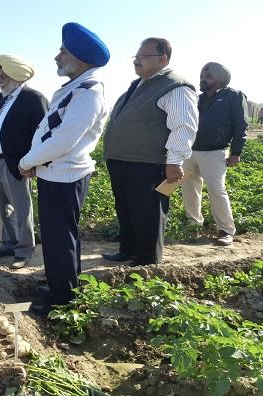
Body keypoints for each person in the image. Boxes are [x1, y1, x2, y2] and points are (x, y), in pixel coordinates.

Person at [18, 22, 110, 315]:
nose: (57, 57)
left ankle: (62, 300)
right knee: (59, 237)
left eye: (62, 51)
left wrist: (28, 161)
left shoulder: (88, 94)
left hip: (65, 176)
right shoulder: (76, 89)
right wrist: (37, 160)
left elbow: (64, 140)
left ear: (80, 58)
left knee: (61, 238)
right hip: (55, 172)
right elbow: (52, 134)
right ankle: (61, 285)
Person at [102, 38, 198, 266]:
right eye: (136, 56)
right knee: (126, 208)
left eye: (143, 56)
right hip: (123, 160)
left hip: (148, 163)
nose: (137, 61)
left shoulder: (175, 86)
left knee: (147, 212)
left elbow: (183, 126)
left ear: (163, 58)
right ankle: (128, 250)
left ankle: (147, 260)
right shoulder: (139, 84)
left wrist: (174, 161)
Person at [0, 55, 48, 269]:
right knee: (3, 206)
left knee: (21, 207)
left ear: (16, 76)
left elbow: (42, 133)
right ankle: (7, 244)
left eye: (2, 76)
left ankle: (24, 250)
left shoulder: (34, 98)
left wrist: (32, 162)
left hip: (18, 163)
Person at [181, 62, 248, 246]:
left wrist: (236, 152)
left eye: (208, 76)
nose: (203, 79)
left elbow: (241, 126)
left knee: (217, 191)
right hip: (191, 150)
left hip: (215, 152)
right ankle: (193, 223)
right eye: (202, 76)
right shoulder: (198, 98)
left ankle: (226, 230)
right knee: (189, 188)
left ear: (220, 79)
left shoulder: (233, 96)